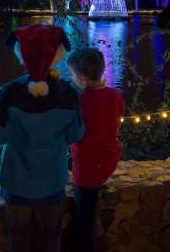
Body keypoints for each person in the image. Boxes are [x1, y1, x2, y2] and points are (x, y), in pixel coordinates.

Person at [0, 24, 84, 252]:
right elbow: (76, 134)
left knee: (19, 242)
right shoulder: (70, 94)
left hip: (17, 183)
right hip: (52, 183)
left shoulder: (8, 92)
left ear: (22, 54)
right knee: (50, 241)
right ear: (57, 54)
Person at [67, 48, 125, 252]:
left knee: (84, 217)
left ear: (81, 78)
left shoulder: (80, 100)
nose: (71, 78)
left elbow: (72, 131)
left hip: (86, 168)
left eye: (72, 75)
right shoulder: (114, 95)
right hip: (108, 160)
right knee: (88, 212)